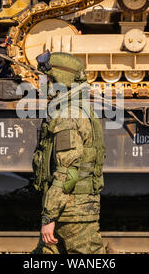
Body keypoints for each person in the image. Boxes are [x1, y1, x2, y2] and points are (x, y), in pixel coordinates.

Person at [32, 51, 106, 254]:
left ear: (60, 80)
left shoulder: (68, 116)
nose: (44, 84)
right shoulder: (75, 109)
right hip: (70, 211)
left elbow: (68, 173)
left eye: (48, 78)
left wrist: (49, 217)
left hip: (72, 215)